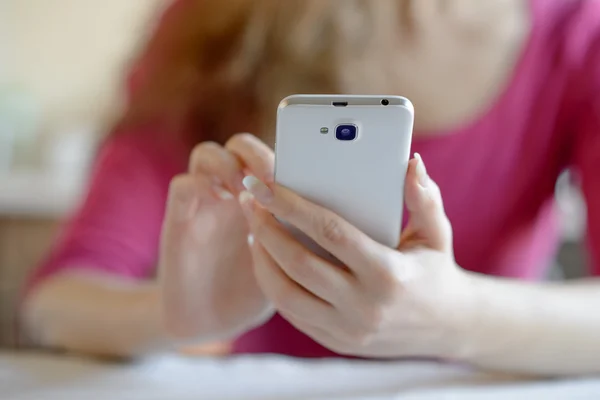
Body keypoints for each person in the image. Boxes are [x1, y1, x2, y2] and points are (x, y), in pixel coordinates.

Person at [19, 0, 600, 376]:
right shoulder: (221, 21)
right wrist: (174, 319)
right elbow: (58, 301)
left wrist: (457, 315)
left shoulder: (578, 33)